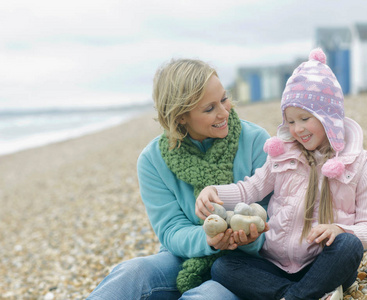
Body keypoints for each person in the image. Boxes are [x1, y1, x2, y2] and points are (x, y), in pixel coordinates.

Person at [195, 48, 367, 300]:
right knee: (223, 267)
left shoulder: (360, 168)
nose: (297, 129)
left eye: (305, 118)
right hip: (275, 265)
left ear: (330, 117)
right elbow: (249, 189)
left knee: (349, 247)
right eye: (291, 121)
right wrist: (214, 191)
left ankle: (303, 292)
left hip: (323, 265)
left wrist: (339, 229)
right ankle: (304, 295)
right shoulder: (282, 157)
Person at [86, 58, 271, 299]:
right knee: (131, 272)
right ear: (181, 116)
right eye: (209, 108)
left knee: (209, 296)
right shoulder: (152, 160)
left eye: (224, 99)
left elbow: (275, 217)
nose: (224, 111)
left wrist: (249, 237)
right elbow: (171, 229)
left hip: (246, 263)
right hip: (183, 259)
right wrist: (210, 240)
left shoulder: (257, 141)